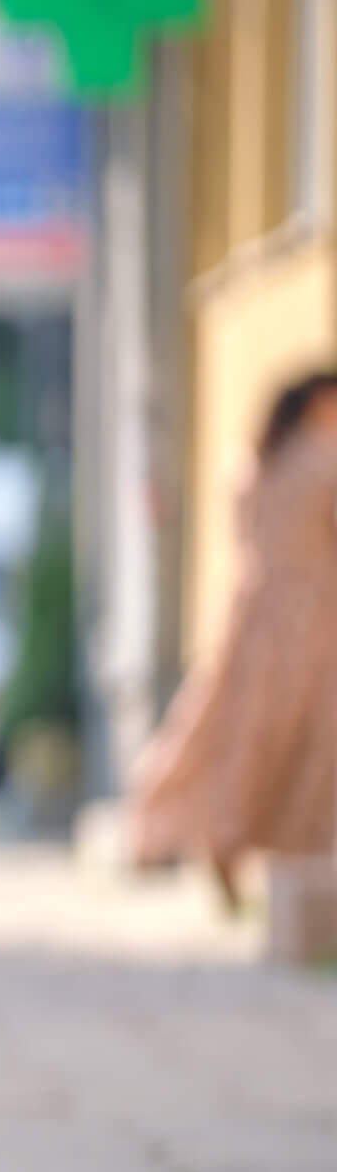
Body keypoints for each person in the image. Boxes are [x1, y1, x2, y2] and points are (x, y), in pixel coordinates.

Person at [130, 370, 337, 917]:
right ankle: (277, 845)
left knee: (232, 734)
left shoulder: (252, 463)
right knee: (307, 743)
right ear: (320, 401)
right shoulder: (323, 464)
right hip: (312, 622)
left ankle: (212, 831)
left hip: (249, 617)